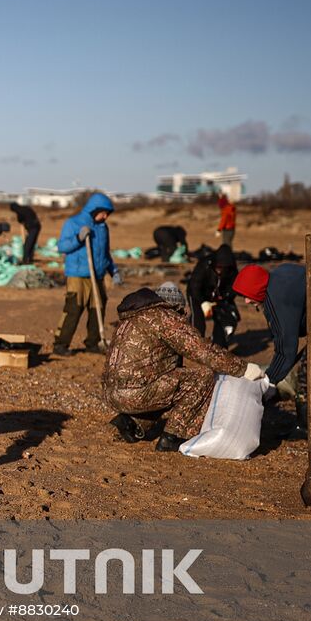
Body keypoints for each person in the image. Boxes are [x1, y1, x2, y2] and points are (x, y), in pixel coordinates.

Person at [103, 286, 258, 451]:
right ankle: (174, 436)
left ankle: (131, 423)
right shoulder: (165, 318)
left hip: (111, 392)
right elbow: (201, 350)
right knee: (202, 377)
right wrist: (242, 368)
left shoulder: (134, 317)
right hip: (135, 392)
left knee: (173, 381)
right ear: (175, 306)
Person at [233, 263, 311, 440]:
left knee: (309, 372)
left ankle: (306, 427)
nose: (246, 301)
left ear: (258, 288)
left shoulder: (279, 297)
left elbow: (286, 349)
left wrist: (270, 382)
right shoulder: (278, 278)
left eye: (248, 296)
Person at [53, 193, 121, 356]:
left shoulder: (103, 228)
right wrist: (78, 238)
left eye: (107, 213)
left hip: (97, 276)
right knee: (73, 309)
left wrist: (114, 270)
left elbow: (106, 252)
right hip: (78, 275)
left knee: (98, 308)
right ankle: (60, 344)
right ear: (94, 210)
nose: (105, 216)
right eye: (103, 212)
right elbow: (62, 246)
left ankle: (93, 343)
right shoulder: (73, 223)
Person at [186, 244, 240, 346]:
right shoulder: (205, 264)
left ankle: (219, 346)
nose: (220, 269)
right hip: (197, 294)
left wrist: (225, 297)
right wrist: (203, 302)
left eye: (223, 268)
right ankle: (194, 346)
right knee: (198, 322)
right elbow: (194, 286)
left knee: (225, 319)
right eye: (218, 266)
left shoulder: (232, 270)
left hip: (218, 297)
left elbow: (233, 287)